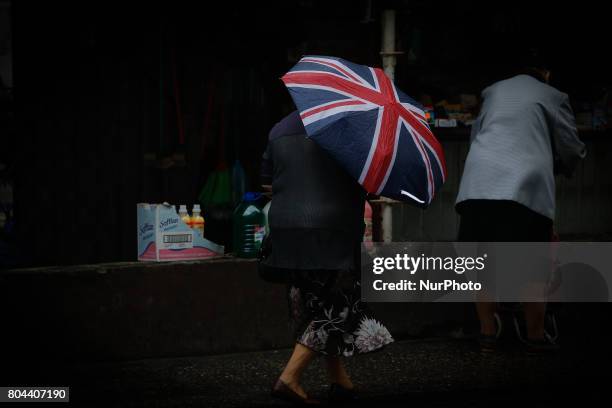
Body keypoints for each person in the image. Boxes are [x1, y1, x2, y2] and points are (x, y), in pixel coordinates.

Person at [455, 51, 586, 353]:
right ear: (546, 73)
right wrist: (565, 163)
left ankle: (488, 333)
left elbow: (478, 134)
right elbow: (570, 147)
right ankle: (535, 335)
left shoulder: (494, 91)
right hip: (524, 185)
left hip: (479, 183)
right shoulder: (553, 95)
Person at [260, 110, 393, 404]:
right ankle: (289, 378)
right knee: (338, 305)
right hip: (330, 229)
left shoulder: (279, 128)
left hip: (286, 228)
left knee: (313, 301)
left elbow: (267, 185)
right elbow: (368, 182)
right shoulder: (347, 129)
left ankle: (340, 381)